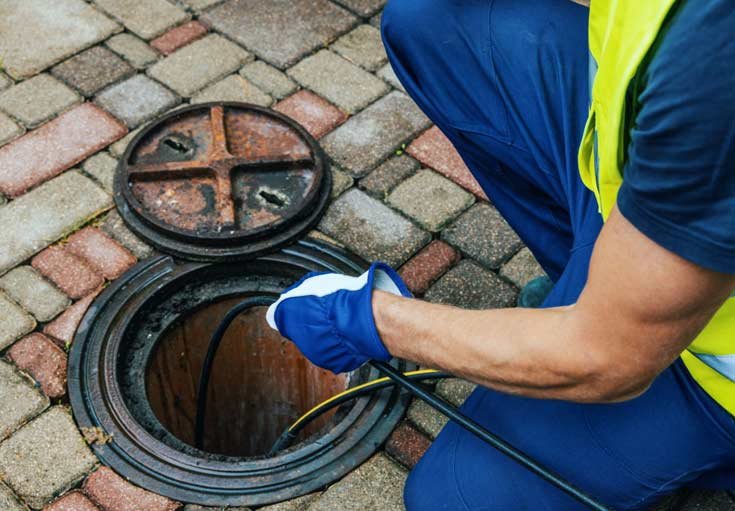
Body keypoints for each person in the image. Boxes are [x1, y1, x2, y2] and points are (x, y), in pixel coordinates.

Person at [266, 0, 735, 508]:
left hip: (703, 365)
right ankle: (598, 284)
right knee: (431, 22)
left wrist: (370, 319)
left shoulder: (717, 60)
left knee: (455, 499)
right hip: (645, 185)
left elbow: (607, 357)